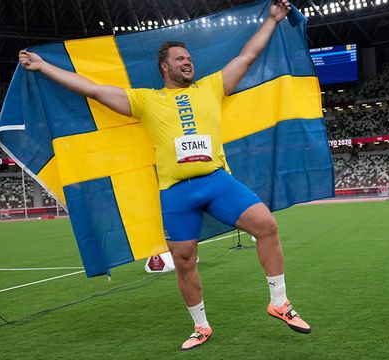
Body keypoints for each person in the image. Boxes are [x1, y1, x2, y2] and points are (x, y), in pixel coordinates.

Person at [18, 0, 311, 351]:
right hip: (175, 192)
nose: (188, 63)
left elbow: (246, 56)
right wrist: (44, 66)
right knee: (184, 260)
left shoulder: (211, 87)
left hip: (216, 181)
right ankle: (201, 327)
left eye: (189, 59)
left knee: (267, 225)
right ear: (164, 67)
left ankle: (279, 302)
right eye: (180, 59)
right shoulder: (145, 100)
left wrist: (273, 20)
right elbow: (91, 88)